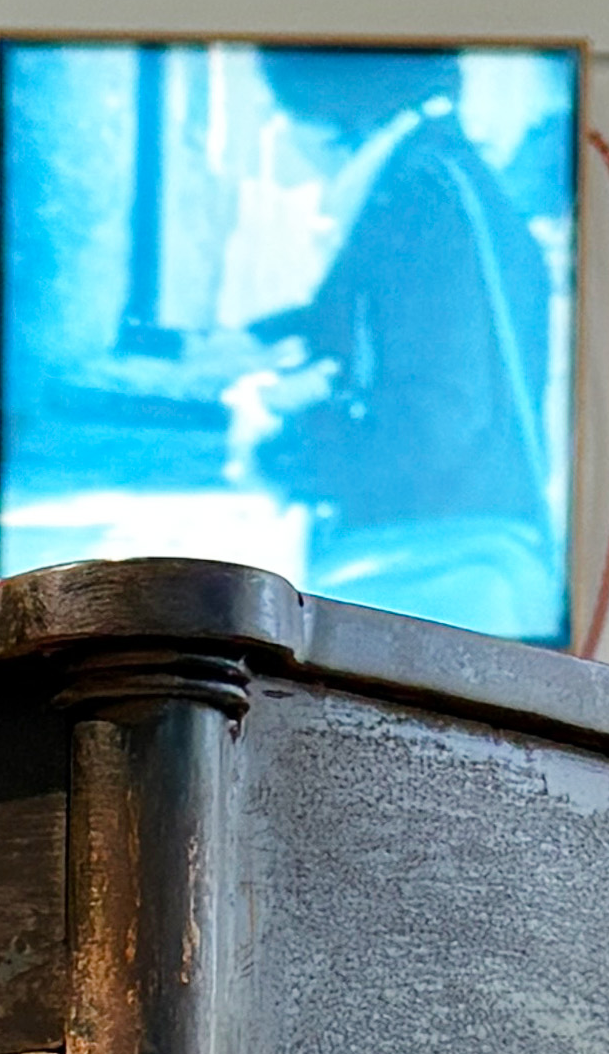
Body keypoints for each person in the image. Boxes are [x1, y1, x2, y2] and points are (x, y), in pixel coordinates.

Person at [237, 52, 564, 640]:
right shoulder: (434, 179)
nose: (268, 123)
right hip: (450, 548)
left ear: (319, 113)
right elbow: (393, 322)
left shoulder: (421, 204)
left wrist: (279, 452)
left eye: (274, 104)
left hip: (431, 573)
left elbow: (433, 424)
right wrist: (256, 343)